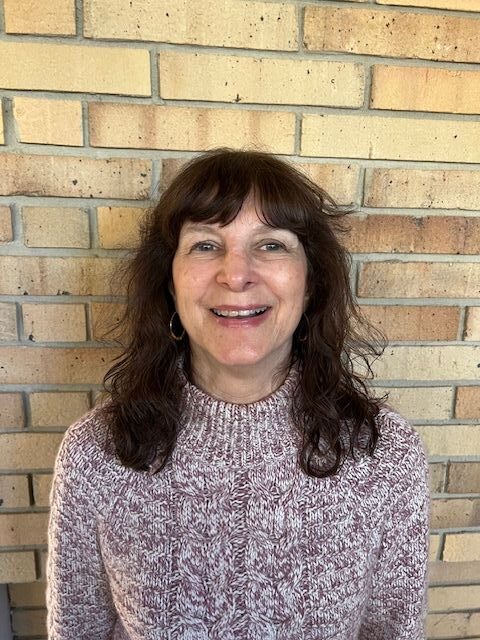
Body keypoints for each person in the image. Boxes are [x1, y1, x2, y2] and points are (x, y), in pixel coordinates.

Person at [47, 148, 429, 640]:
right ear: (170, 282)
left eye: (270, 245)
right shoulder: (96, 454)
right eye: (206, 245)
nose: (236, 274)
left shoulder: (386, 456)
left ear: (311, 283)